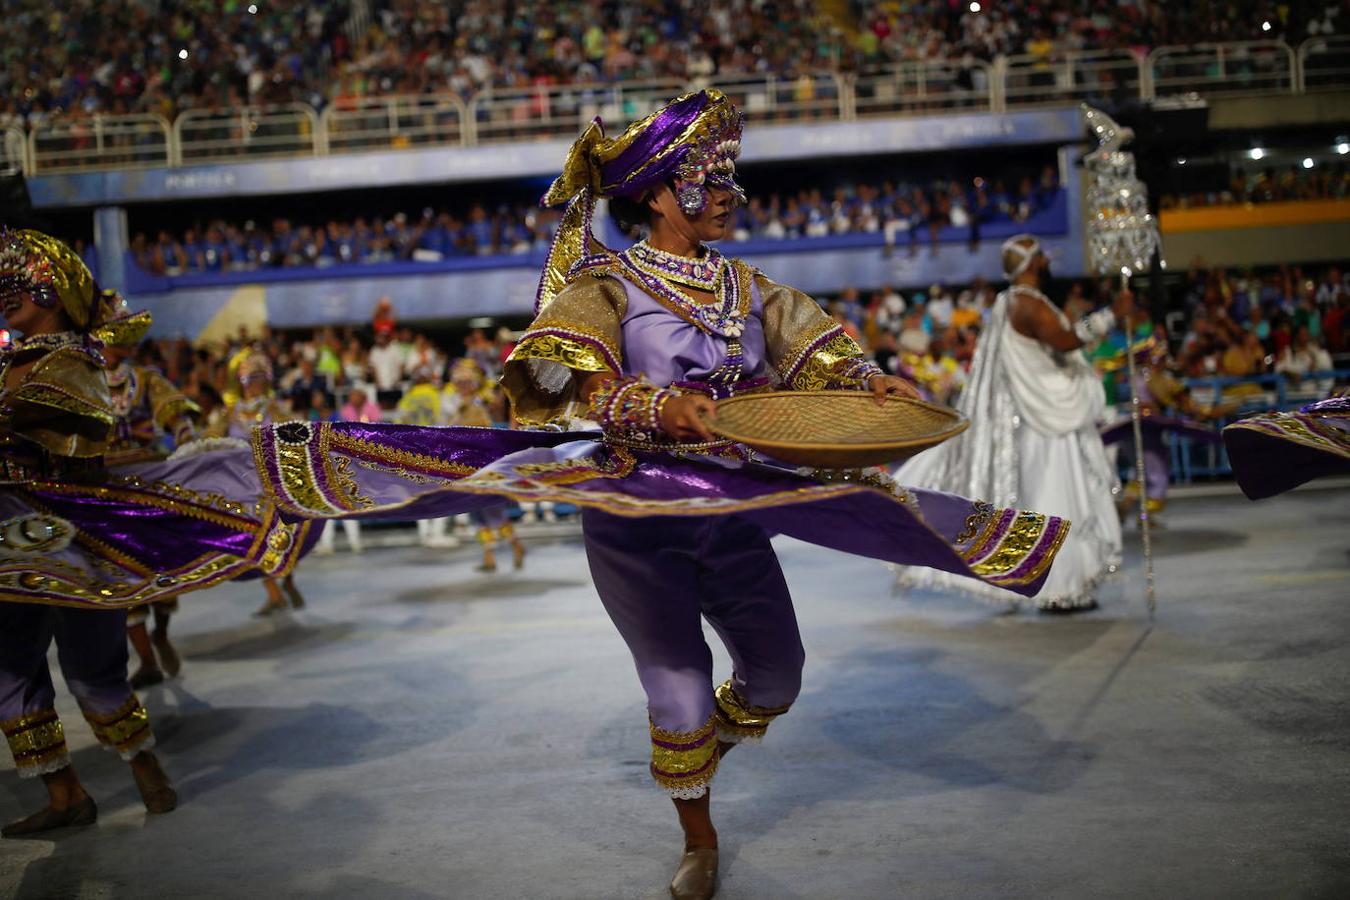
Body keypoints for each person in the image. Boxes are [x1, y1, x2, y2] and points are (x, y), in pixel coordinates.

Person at [246, 91, 1071, 900]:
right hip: (636, 511)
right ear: (655, 195)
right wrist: (654, 406)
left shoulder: (747, 285)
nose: (729, 194)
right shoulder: (606, 286)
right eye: (708, 179)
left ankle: (697, 753)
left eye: (730, 177)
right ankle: (699, 836)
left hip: (731, 507)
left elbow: (821, 353)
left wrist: (868, 380)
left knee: (778, 677)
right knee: (677, 689)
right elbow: (583, 389)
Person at [0, 229, 177, 836]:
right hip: (8, 542)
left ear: (53, 289)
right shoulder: (12, 362)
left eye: (17, 283)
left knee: (92, 667)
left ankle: (146, 770)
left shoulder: (73, 360)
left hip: (70, 534)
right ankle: (65, 794)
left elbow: (78, 420)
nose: (6, 295)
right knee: (9, 669)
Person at [897, 234, 1131, 613]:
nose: (1047, 261)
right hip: (1046, 420)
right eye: (1042, 255)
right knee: (1055, 499)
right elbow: (1065, 340)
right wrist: (1111, 315)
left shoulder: (1014, 301)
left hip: (1046, 412)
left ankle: (1061, 585)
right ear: (1033, 262)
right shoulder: (1026, 303)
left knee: (1053, 498)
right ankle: (1057, 589)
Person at [100, 309, 201, 689]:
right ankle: (146, 661)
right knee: (121, 577)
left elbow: (176, 414)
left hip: (149, 483)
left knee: (163, 570)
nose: (129, 343)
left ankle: (160, 633)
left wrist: (188, 441)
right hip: (105, 491)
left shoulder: (144, 379)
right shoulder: (82, 381)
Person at [202, 351, 309, 616]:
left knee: (283, 535)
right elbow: (209, 439)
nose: (255, 384)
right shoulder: (230, 412)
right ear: (242, 382)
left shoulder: (275, 408)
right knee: (253, 539)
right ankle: (274, 592)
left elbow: (293, 435)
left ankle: (288, 581)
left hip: (272, 483)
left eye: (260, 378)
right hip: (241, 487)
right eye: (251, 378)